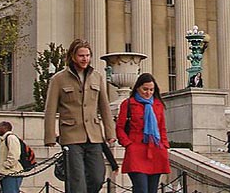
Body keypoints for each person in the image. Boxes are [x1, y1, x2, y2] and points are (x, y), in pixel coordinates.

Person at [44, 39, 116, 193]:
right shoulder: (59, 79)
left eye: (88, 55)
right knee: (77, 181)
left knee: (98, 177)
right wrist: (50, 136)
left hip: (94, 135)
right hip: (71, 136)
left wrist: (110, 133)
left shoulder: (97, 77)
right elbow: (50, 109)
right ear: (73, 56)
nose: (85, 59)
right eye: (81, 55)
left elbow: (104, 107)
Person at [116, 73, 170, 193]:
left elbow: (162, 128)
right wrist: (128, 144)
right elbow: (119, 127)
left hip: (156, 151)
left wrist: (164, 144)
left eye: (151, 90)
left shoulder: (158, 105)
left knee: (152, 190)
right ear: (137, 88)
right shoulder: (128, 103)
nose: (148, 93)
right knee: (141, 189)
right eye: (145, 89)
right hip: (136, 151)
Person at [0, 121, 23, 193]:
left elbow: (14, 155)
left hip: (11, 173)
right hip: (6, 173)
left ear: (5, 127)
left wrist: (6, 165)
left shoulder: (11, 138)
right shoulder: (4, 139)